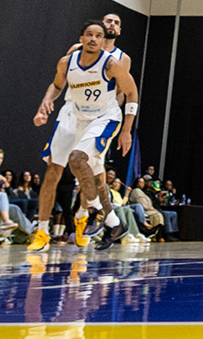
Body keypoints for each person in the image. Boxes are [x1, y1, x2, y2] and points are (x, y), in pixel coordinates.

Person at [28, 21, 138, 250]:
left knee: (77, 160)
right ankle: (112, 222)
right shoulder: (68, 61)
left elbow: (131, 92)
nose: (93, 39)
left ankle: (93, 212)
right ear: (81, 38)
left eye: (98, 35)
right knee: (83, 172)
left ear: (105, 38)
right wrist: (46, 101)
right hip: (76, 117)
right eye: (89, 34)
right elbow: (57, 85)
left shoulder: (114, 63)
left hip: (104, 118)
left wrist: (127, 130)